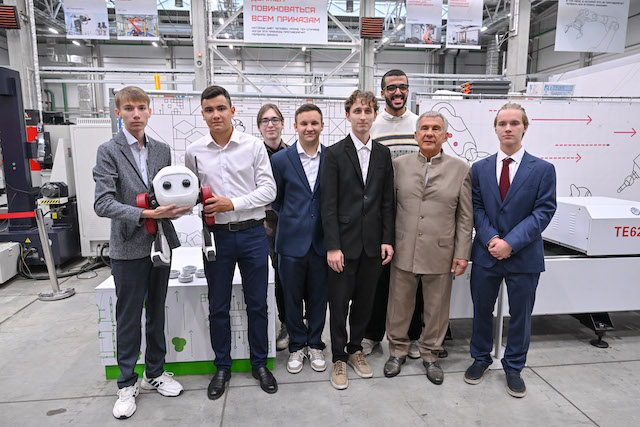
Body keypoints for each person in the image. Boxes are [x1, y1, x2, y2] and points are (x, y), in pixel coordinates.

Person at [94, 86, 188, 419]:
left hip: (160, 242)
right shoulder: (108, 151)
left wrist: (178, 208)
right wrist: (147, 213)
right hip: (128, 246)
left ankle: (155, 372)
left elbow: (166, 193)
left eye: (141, 108)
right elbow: (103, 203)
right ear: (118, 113)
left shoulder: (162, 150)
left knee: (157, 311)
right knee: (128, 316)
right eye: (129, 108)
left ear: (149, 111)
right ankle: (126, 383)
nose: (136, 114)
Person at [185, 85, 278, 399]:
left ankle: (259, 364)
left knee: (258, 304)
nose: (216, 115)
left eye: (221, 108)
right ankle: (222, 367)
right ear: (203, 114)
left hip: (253, 234)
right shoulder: (194, 151)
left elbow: (269, 190)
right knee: (218, 306)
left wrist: (232, 203)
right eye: (209, 110)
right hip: (217, 237)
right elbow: (190, 193)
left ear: (232, 111)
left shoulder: (253, 146)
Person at [464, 102, 556, 398]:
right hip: (486, 253)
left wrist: (511, 243)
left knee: (521, 315)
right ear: (495, 128)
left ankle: (514, 366)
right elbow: (476, 208)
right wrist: (492, 238)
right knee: (481, 310)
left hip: (524, 256)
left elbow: (543, 211)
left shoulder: (542, 169)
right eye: (502, 123)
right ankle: (480, 359)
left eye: (514, 123)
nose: (508, 128)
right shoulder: (479, 169)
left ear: (525, 127)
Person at [383, 111, 472, 385]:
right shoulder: (398, 165)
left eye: (436, 129)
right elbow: (388, 208)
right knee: (398, 304)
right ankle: (397, 351)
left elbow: (465, 217)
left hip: (441, 251)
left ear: (446, 136)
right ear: (416, 135)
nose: (429, 133)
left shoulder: (460, 169)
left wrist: (462, 253)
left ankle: (431, 354)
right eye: (424, 128)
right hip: (403, 247)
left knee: (436, 307)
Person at [320, 90, 395, 390]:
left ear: (375, 115)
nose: (362, 116)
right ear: (348, 115)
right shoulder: (334, 154)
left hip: (373, 244)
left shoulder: (383, 154)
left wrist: (387, 239)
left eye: (367, 111)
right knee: (339, 305)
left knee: (365, 302)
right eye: (357, 111)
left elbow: (387, 201)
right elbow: (328, 204)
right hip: (343, 245)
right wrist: (332, 246)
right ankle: (338, 356)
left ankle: (355, 349)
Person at [363, 69, 424, 358]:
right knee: (377, 279)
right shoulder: (373, 127)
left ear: (408, 90)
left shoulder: (419, 125)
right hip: (379, 216)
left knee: (413, 278)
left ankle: (412, 335)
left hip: (414, 214)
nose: (397, 92)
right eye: (391, 88)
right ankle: (372, 334)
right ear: (382, 92)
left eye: (402, 87)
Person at [271, 103, 327, 374]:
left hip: (321, 242)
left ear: (322, 126)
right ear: (295, 126)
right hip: (290, 241)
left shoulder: (332, 158)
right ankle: (296, 344)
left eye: (314, 123)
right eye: (304, 123)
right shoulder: (281, 160)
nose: (309, 128)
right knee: (291, 298)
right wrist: (295, 219)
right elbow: (276, 199)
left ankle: (315, 343)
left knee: (318, 298)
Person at [257, 103, 289, 351]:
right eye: (265, 120)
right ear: (259, 126)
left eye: (275, 120)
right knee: (276, 277)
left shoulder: (292, 154)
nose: (271, 124)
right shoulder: (253, 155)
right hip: (264, 226)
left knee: (295, 277)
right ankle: (285, 323)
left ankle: (300, 322)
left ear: (283, 124)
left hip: (291, 223)